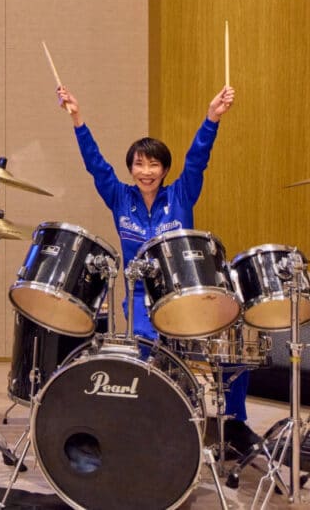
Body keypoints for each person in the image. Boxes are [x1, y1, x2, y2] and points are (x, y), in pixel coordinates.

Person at [56, 82, 260, 458]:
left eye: (153, 164)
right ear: (131, 168)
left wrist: (212, 118)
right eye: (139, 164)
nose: (146, 171)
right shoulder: (119, 197)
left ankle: (233, 425)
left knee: (231, 353)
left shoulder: (181, 194)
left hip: (186, 295)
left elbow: (197, 158)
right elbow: (95, 164)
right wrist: (77, 119)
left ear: (164, 169)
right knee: (147, 357)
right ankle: (147, 429)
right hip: (140, 299)